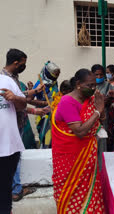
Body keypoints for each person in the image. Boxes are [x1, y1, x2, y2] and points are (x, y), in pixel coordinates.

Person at [51, 69, 106, 213]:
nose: (93, 89)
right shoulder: (67, 101)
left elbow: (102, 119)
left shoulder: (91, 99)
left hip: (87, 156)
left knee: (89, 189)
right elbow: (80, 131)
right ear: (78, 84)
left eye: (95, 85)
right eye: (89, 85)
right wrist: (98, 111)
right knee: (70, 193)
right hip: (69, 157)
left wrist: (101, 106)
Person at [0, 49, 39, 202]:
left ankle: (15, 187)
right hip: (12, 124)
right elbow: (16, 102)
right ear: (16, 63)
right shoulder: (5, 79)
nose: (24, 66)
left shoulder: (13, 78)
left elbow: (21, 98)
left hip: (18, 122)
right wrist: (35, 109)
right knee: (12, 154)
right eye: (23, 63)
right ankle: (16, 189)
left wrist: (31, 92)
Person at [0, 74, 27, 214]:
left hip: (9, 148)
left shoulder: (6, 81)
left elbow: (23, 105)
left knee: (5, 189)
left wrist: (15, 98)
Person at [32, 61, 61, 148]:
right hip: (43, 114)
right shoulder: (40, 84)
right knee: (44, 135)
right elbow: (30, 100)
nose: (56, 76)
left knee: (52, 136)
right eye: (54, 74)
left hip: (53, 113)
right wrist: (44, 103)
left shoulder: (54, 82)